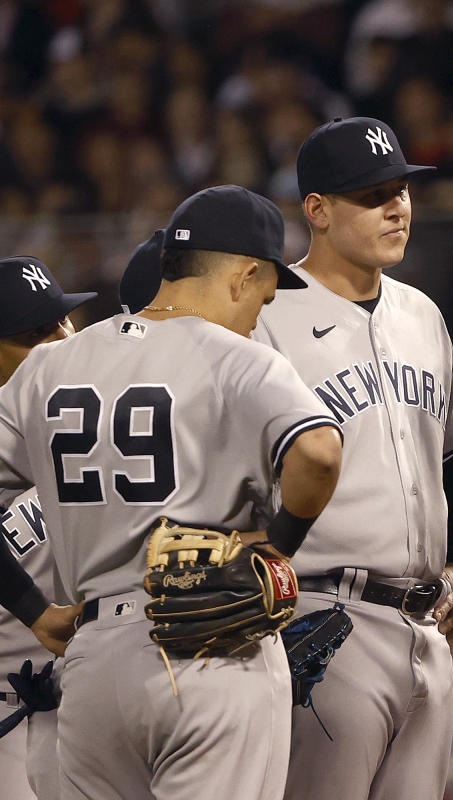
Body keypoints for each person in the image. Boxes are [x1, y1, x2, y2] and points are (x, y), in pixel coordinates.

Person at [0, 184, 344, 800]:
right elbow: (318, 452)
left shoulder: (48, 368)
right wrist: (280, 545)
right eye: (264, 295)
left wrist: (35, 611)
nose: (258, 313)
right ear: (243, 276)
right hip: (209, 654)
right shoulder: (239, 359)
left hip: (93, 663)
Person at [250, 116, 453, 800]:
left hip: (424, 625)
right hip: (322, 616)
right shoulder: (268, 315)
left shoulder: (421, 314)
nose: (397, 206)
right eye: (373, 194)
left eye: (401, 189)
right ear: (316, 210)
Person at [0, 256, 96, 800]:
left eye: (64, 321)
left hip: (84, 702)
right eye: (38, 333)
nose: (63, 339)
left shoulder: (97, 422)